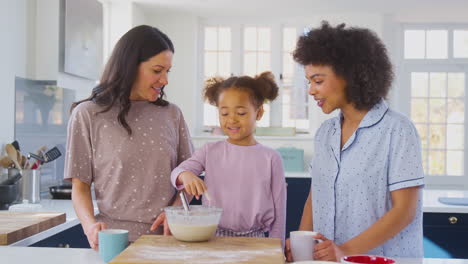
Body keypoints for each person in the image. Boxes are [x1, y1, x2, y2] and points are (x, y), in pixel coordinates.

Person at [284, 21, 424, 261]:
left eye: (318, 81)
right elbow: (315, 194)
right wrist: (301, 246)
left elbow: (405, 211)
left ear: (351, 75)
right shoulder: (325, 133)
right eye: (309, 82)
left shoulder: (397, 130)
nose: (311, 91)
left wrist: (346, 250)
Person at [64, 25, 193, 249]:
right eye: (157, 70)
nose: (165, 80)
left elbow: (189, 177)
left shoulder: (172, 114)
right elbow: (80, 185)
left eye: (167, 71)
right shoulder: (88, 114)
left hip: (168, 241)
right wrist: (90, 226)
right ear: (130, 66)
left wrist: (176, 211)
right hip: (114, 242)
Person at [170, 72, 287, 245]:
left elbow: (280, 212)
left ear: (259, 113)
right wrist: (185, 175)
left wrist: (279, 249)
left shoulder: (271, 158)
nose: (231, 120)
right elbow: (177, 172)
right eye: (224, 114)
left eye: (240, 113)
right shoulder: (210, 151)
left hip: (255, 241)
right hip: (212, 237)